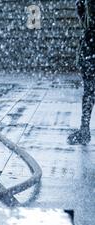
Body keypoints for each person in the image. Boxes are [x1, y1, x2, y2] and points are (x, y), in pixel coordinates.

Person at [68, 0, 95, 145]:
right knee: (89, 91)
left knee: (89, 91)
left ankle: (84, 129)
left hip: (90, 48)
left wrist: (81, 8)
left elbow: (88, 22)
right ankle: (84, 129)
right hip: (90, 49)